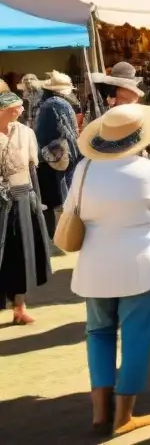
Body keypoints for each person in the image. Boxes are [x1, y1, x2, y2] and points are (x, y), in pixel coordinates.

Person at [69, 103, 150, 436]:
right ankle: (123, 416)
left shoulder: (84, 169)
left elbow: (72, 210)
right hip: (142, 264)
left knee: (98, 333)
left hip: (94, 264)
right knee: (137, 337)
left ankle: (100, 412)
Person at [0, 92, 51, 326]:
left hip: (22, 200)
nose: (18, 112)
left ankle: (19, 307)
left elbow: (32, 170)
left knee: (21, 255)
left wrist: (36, 201)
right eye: (13, 109)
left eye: (19, 108)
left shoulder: (26, 133)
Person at [33, 71, 83, 238]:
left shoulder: (46, 102)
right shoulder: (58, 104)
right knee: (62, 196)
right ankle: (64, 234)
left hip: (47, 157)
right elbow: (68, 134)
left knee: (52, 198)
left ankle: (56, 233)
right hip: (60, 158)